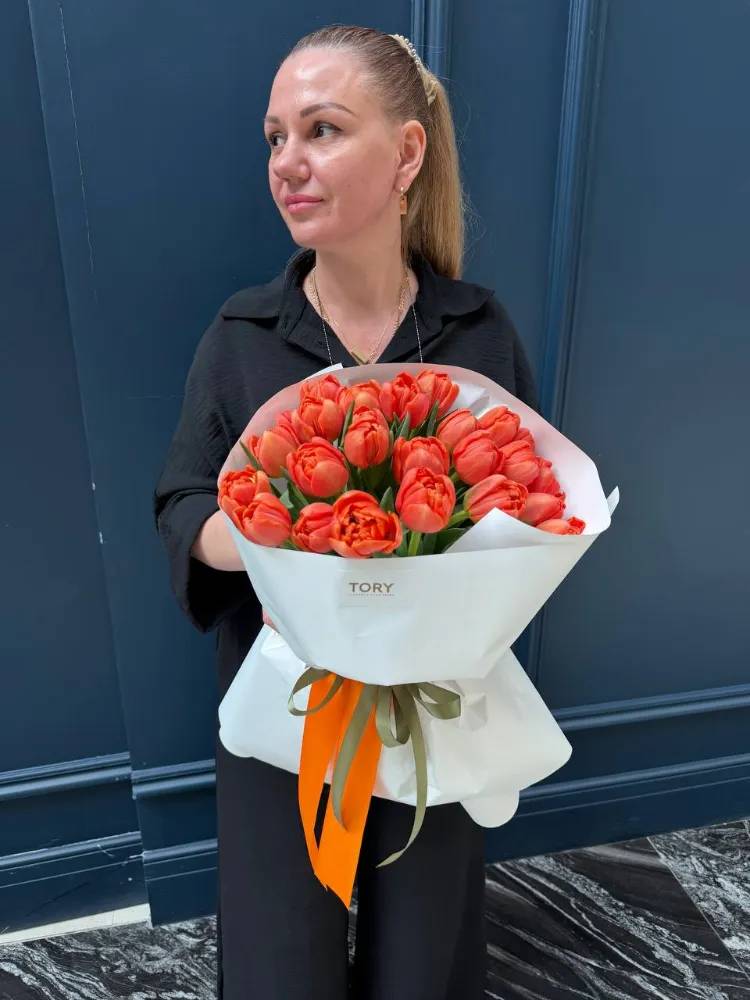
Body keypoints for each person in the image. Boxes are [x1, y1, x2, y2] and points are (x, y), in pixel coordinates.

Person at [153, 23, 540, 1000]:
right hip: (288, 705)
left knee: (427, 960)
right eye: (276, 137)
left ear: (407, 152)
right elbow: (180, 500)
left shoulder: (478, 332)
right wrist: (268, 535)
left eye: (321, 130)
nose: (289, 162)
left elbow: (527, 501)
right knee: (282, 964)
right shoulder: (240, 336)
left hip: (435, 705)